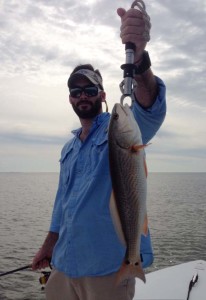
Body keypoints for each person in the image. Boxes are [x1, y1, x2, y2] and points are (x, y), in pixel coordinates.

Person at [32, 5, 166, 300]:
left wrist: (140, 60)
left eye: (90, 90)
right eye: (75, 91)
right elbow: (61, 205)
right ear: (70, 98)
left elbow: (149, 107)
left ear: (103, 95)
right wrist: (48, 245)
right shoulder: (68, 148)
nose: (82, 96)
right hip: (64, 265)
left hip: (107, 268)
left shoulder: (119, 129)